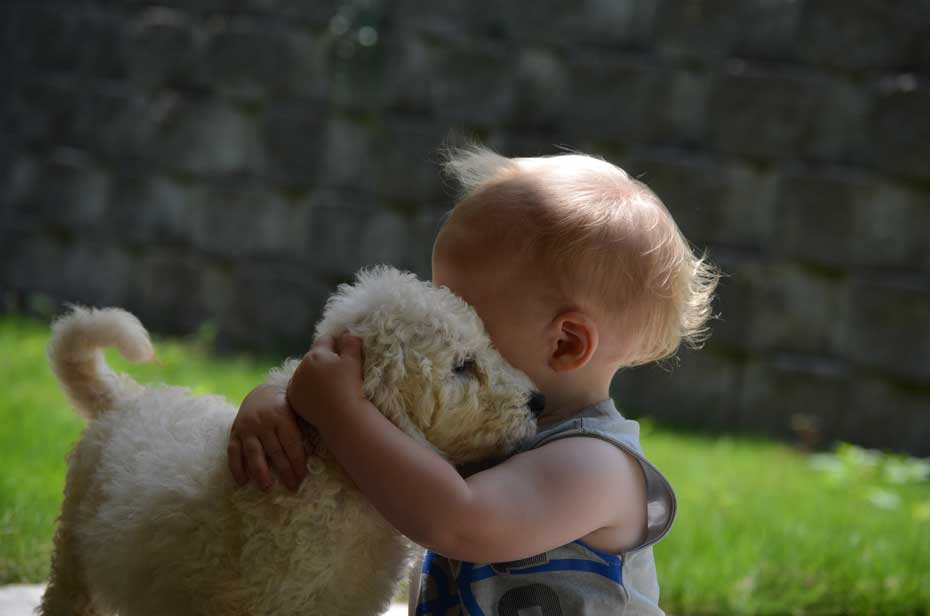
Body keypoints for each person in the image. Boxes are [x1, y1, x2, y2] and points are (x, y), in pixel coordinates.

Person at [227, 144, 721, 615]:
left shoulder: (596, 465)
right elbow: (369, 405)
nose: (443, 322)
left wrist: (340, 412)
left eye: (467, 316)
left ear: (566, 343)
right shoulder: (475, 422)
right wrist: (277, 400)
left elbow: (456, 521)